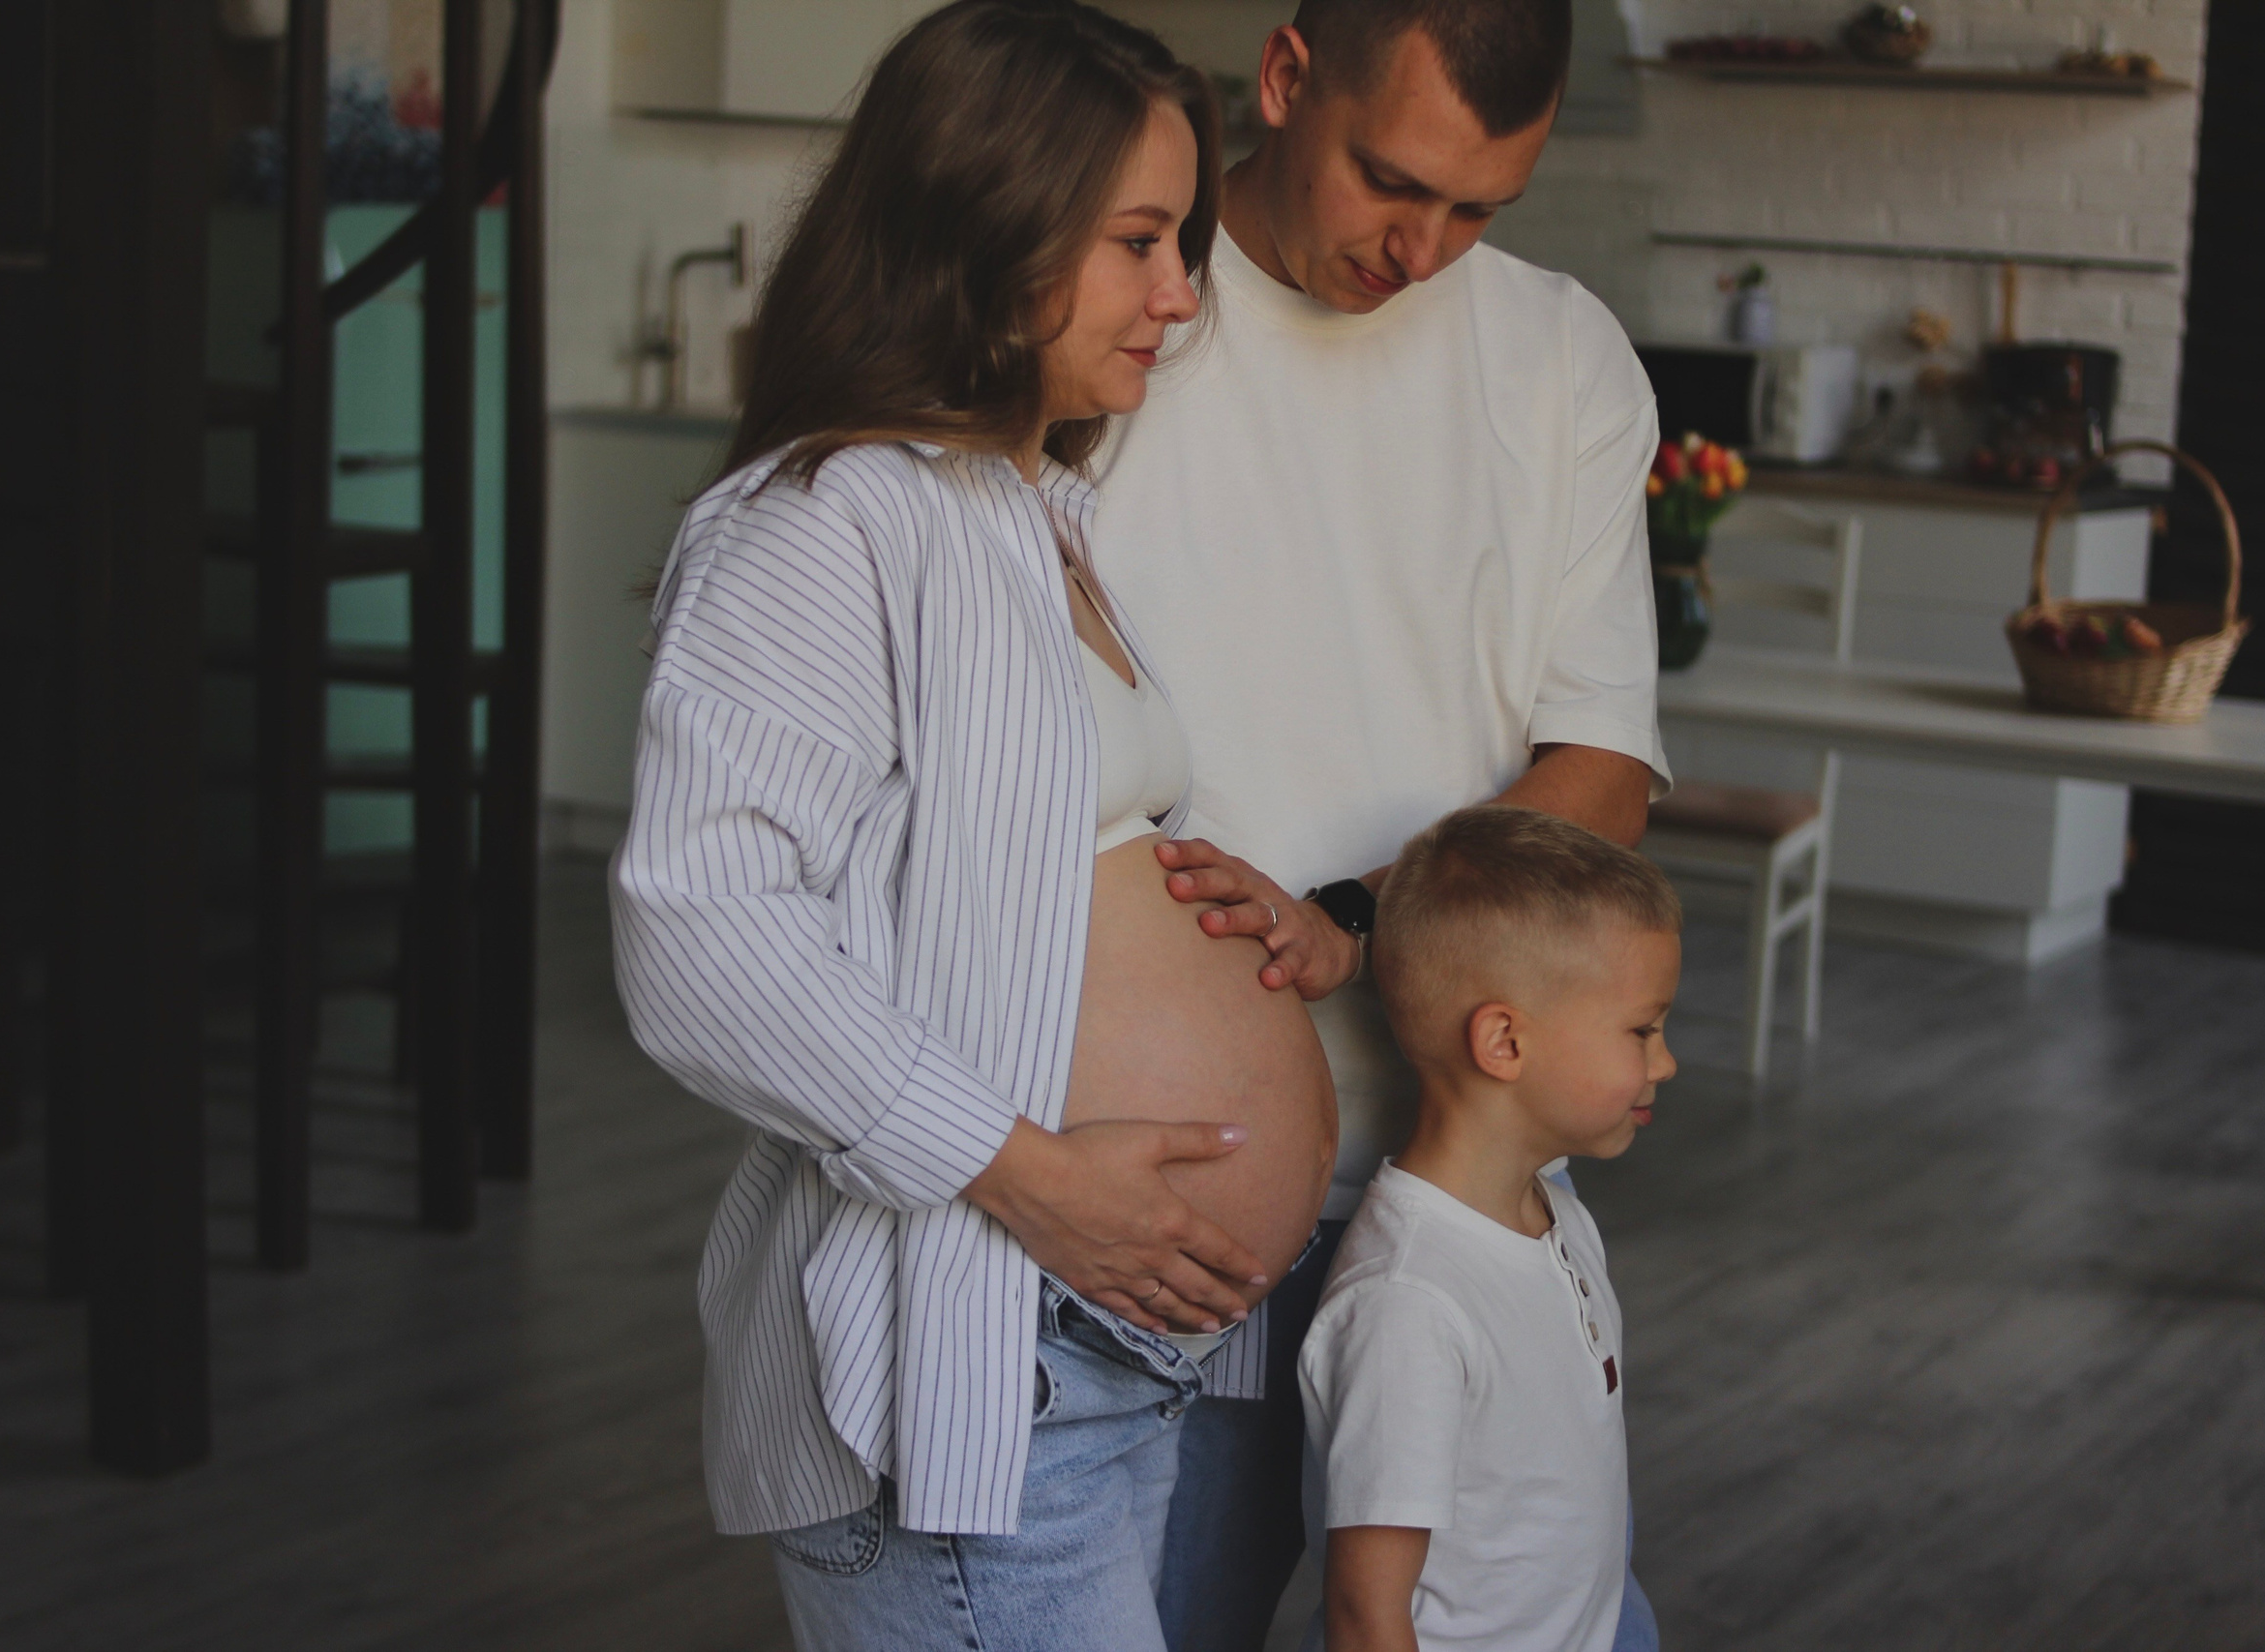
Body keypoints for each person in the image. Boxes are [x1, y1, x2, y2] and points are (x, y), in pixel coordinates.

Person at [609, 6, 1338, 1648]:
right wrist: (1022, 1175)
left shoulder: (1038, 515)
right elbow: (699, 935)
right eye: (1142, 241)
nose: (1182, 293)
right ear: (989, 225)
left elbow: (1023, 877)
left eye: (1188, 242)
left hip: (1104, 1360)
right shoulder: (825, 521)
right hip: (976, 1367)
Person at [1088, 2, 1671, 1645]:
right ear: (1286, 80)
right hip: (1173, 1209)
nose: (1423, 248)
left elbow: (1603, 776)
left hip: (1461, 1191)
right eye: (1392, 181)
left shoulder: (1561, 362)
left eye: (1481, 208)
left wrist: (1356, 911)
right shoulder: (1128, 311)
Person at [1300, 806, 1682, 1652]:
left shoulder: (1558, 1213)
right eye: (1642, 1030)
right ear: (1504, 1041)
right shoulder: (1410, 1304)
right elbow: (1367, 1617)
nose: (1666, 1061)